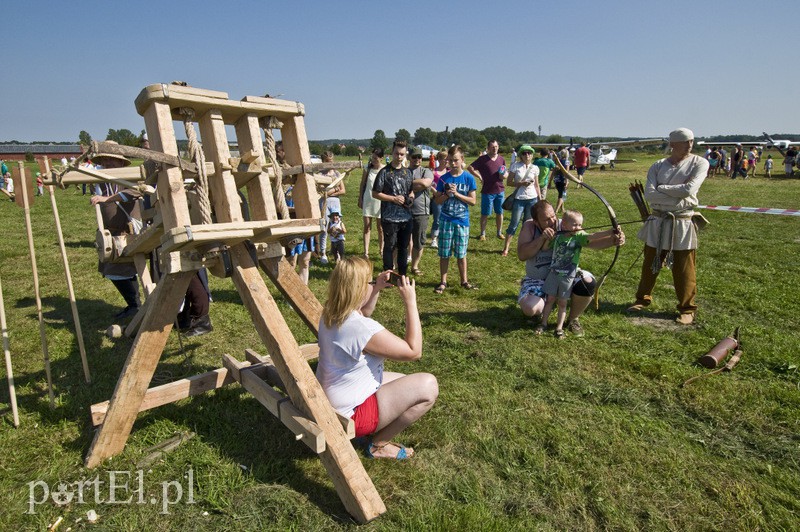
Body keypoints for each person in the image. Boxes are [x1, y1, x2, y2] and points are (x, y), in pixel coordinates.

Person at [316, 257, 438, 460]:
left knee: (404, 380)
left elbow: (363, 312)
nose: (372, 285)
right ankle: (378, 445)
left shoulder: (331, 311)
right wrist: (411, 302)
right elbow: (413, 350)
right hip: (352, 415)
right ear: (357, 288)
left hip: (333, 400)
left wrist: (376, 289)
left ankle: (377, 434)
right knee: (427, 386)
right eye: (369, 282)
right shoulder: (361, 330)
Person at [627, 128, 709, 325]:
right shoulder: (657, 166)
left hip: (681, 221)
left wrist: (662, 188)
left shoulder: (700, 162)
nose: (690, 145)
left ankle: (687, 308)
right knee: (650, 263)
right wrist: (675, 192)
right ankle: (642, 299)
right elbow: (649, 195)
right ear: (672, 144)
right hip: (658, 220)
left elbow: (689, 189)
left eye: (691, 141)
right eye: (685, 142)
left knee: (684, 267)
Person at [517, 201, 618, 337]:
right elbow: (522, 255)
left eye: (553, 216)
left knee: (587, 282)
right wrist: (542, 238)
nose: (552, 221)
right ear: (536, 221)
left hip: (565, 274)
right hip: (538, 279)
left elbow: (590, 240)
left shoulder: (567, 224)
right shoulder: (530, 226)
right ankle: (545, 306)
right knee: (530, 309)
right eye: (546, 219)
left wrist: (613, 240)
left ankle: (572, 319)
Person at [89, 146, 142, 320]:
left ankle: (135, 305)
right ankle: (134, 305)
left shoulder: (128, 175)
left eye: (111, 159)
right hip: (111, 233)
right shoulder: (102, 179)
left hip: (126, 232)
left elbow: (135, 191)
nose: (107, 163)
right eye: (104, 160)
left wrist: (109, 199)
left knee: (120, 269)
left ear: (120, 161)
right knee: (115, 269)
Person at [432, 145, 477, 293]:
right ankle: (443, 282)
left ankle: (464, 281)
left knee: (461, 253)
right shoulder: (444, 179)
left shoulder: (469, 178)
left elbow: (473, 201)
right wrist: (446, 194)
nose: (452, 163)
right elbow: (437, 201)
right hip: (446, 221)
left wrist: (457, 194)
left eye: (455, 160)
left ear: (462, 160)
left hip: (462, 222)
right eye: (450, 160)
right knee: (444, 253)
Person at [372, 140, 414, 276]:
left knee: (403, 248)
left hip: (406, 218)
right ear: (392, 153)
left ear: (405, 154)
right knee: (389, 247)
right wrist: (393, 199)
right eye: (397, 153)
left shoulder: (408, 173)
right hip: (389, 217)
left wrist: (410, 199)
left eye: (402, 154)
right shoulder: (384, 172)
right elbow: (375, 193)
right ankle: (388, 275)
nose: (399, 156)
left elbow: (411, 191)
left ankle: (402, 275)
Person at [501, 145, 540, 257]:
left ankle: (525, 246)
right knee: (514, 224)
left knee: (528, 225)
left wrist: (540, 199)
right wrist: (521, 184)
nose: (527, 155)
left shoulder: (535, 168)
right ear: (521, 155)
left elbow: (537, 185)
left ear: (532, 155)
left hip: (532, 199)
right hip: (519, 199)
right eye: (524, 153)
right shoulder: (516, 166)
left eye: (529, 153)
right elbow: (508, 182)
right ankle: (506, 248)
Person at [467, 140, 506, 241]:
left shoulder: (501, 159)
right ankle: (482, 234)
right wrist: (479, 176)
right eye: (492, 147)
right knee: (485, 214)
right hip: (487, 191)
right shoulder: (482, 159)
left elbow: (505, 172)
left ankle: (499, 232)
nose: (495, 148)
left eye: (496, 146)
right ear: (488, 148)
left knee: (500, 212)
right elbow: (470, 168)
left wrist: (504, 175)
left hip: (500, 190)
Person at [408, 147, 434, 275]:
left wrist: (407, 184)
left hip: (421, 211)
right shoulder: (404, 171)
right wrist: (415, 184)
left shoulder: (426, 171)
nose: (417, 159)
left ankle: (414, 266)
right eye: (414, 157)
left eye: (419, 157)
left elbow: (425, 183)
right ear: (409, 158)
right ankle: (396, 266)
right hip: (404, 211)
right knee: (400, 241)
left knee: (419, 240)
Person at [318, 151, 345, 265]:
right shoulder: (320, 174)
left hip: (335, 202)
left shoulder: (337, 174)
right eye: (328, 161)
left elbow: (343, 190)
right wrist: (335, 190)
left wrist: (330, 192)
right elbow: (321, 191)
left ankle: (337, 252)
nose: (330, 163)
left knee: (336, 226)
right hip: (324, 203)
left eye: (332, 161)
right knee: (324, 227)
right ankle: (323, 252)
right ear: (323, 161)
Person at [358, 148, 385, 257]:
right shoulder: (367, 168)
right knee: (367, 227)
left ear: (381, 158)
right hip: (368, 199)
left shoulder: (385, 169)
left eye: (375, 158)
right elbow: (362, 184)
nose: (373, 160)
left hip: (380, 201)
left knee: (380, 228)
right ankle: (366, 252)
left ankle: (381, 250)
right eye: (372, 157)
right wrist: (360, 198)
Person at [429, 150, 449, 249]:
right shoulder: (433, 172)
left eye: (447, 159)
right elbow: (429, 185)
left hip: (447, 199)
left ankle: (444, 237)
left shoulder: (449, 172)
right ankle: (434, 239)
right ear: (439, 159)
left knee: (447, 219)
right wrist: (435, 192)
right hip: (437, 199)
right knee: (437, 219)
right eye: (445, 159)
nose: (447, 161)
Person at [552, 148, 569, 214]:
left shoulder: (557, 161)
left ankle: (562, 208)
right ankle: (556, 210)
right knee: (562, 196)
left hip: (556, 180)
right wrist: (567, 181)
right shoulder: (567, 162)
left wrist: (550, 181)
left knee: (561, 193)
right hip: (563, 180)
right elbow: (566, 173)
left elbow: (553, 171)